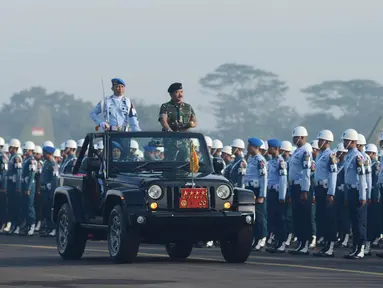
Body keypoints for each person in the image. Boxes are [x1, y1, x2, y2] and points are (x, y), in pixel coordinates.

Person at [341, 129, 367, 259]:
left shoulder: (358, 156)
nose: (344, 143)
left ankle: (361, 248)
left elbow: (362, 176)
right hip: (350, 190)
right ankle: (355, 247)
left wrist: (362, 195)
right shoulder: (349, 155)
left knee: (359, 222)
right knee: (353, 221)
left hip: (357, 191)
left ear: (353, 141)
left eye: (346, 140)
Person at [288, 126, 313, 255]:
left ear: (302, 137)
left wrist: (305, 190)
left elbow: (306, 172)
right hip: (295, 186)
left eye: (296, 137)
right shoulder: (297, 151)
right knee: (297, 216)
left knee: (304, 216)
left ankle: (306, 243)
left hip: (302, 187)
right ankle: (300, 243)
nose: (294, 139)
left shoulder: (305, 151)